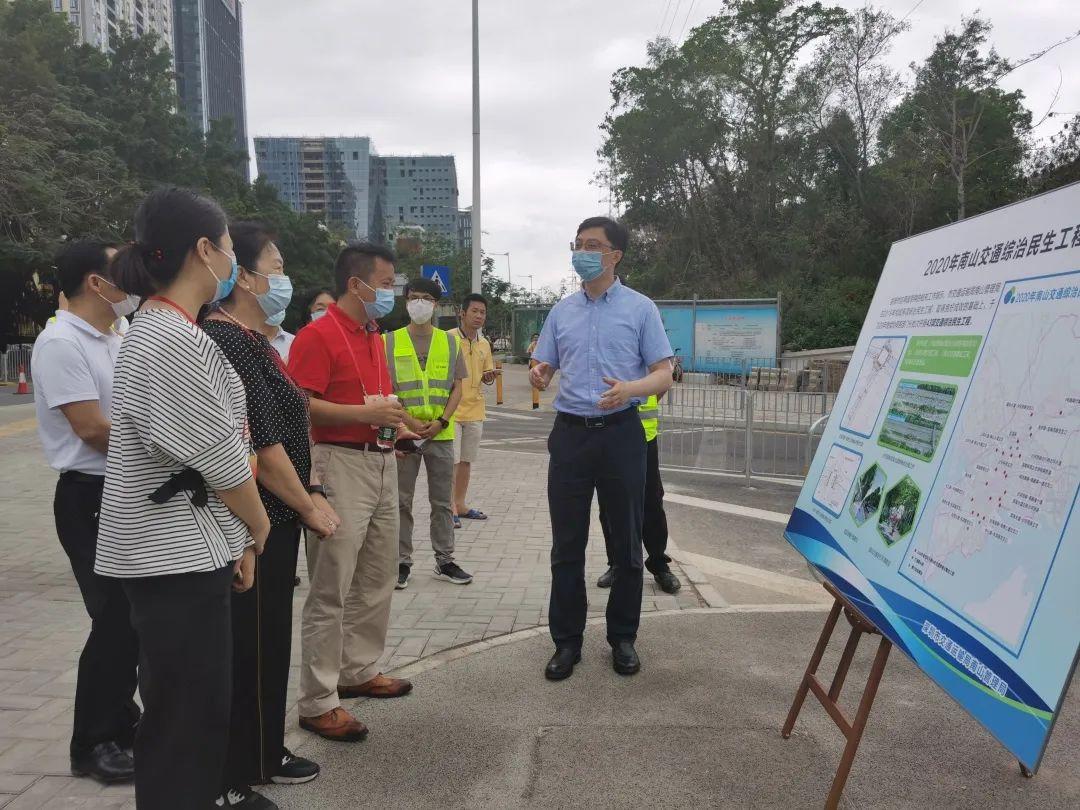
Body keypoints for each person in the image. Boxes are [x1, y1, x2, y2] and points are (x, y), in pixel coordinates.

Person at [96, 187, 272, 810]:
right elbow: (220, 459)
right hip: (169, 559)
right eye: (227, 247)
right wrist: (258, 528)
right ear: (203, 249)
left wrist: (234, 541)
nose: (232, 260)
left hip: (187, 551)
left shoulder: (171, 329)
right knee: (183, 722)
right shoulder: (168, 338)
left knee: (192, 712)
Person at [201, 221, 336, 807]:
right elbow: (262, 444)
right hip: (255, 520)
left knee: (269, 638)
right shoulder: (226, 340)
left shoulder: (255, 341)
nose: (285, 279)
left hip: (275, 518)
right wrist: (308, 505)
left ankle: (263, 750)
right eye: (276, 267)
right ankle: (239, 766)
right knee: (250, 645)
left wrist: (308, 492)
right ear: (245, 277)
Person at [531, 216, 673, 681]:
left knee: (628, 542)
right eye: (578, 244)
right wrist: (539, 373)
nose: (582, 253)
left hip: (620, 434)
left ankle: (623, 637)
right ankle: (566, 642)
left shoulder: (640, 309)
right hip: (570, 435)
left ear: (615, 255)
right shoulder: (561, 312)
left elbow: (664, 373)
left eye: (593, 245)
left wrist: (631, 388)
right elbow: (544, 363)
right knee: (566, 544)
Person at [287, 243, 413, 744]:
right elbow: (300, 406)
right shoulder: (317, 335)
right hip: (338, 464)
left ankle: (357, 670)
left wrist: (396, 426)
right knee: (331, 585)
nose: (392, 292)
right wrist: (366, 416)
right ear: (356, 284)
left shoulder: (373, 334)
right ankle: (318, 701)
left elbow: (373, 402)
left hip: (381, 460)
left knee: (378, 575)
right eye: (385, 284)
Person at [31, 240, 141, 785]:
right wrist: (166, 446)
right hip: (90, 495)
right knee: (114, 618)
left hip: (124, 489)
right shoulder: (61, 342)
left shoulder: (116, 335)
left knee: (132, 618)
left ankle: (121, 721)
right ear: (97, 282)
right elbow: (92, 429)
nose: (133, 281)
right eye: (122, 271)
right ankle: (92, 743)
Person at [387, 277, 472, 590]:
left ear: (436, 304)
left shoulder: (449, 342)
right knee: (400, 501)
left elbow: (457, 387)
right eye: (413, 297)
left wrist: (442, 421)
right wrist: (407, 421)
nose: (418, 303)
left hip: (440, 433)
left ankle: (445, 560)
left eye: (425, 298)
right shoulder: (388, 341)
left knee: (442, 502)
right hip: (404, 434)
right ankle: (401, 562)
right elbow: (385, 388)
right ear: (406, 301)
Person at [597, 393, 681, 594]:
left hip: (645, 437)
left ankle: (659, 564)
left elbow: (663, 383)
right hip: (611, 438)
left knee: (652, 503)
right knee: (610, 505)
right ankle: (616, 564)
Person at [448, 293, 497, 524]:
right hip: (451, 410)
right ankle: (449, 508)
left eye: (482, 312)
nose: (479, 316)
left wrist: (489, 376)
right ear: (462, 313)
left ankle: (460, 504)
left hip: (475, 409)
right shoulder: (447, 338)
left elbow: (486, 374)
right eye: (474, 311)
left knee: (466, 460)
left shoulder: (484, 343)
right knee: (452, 461)